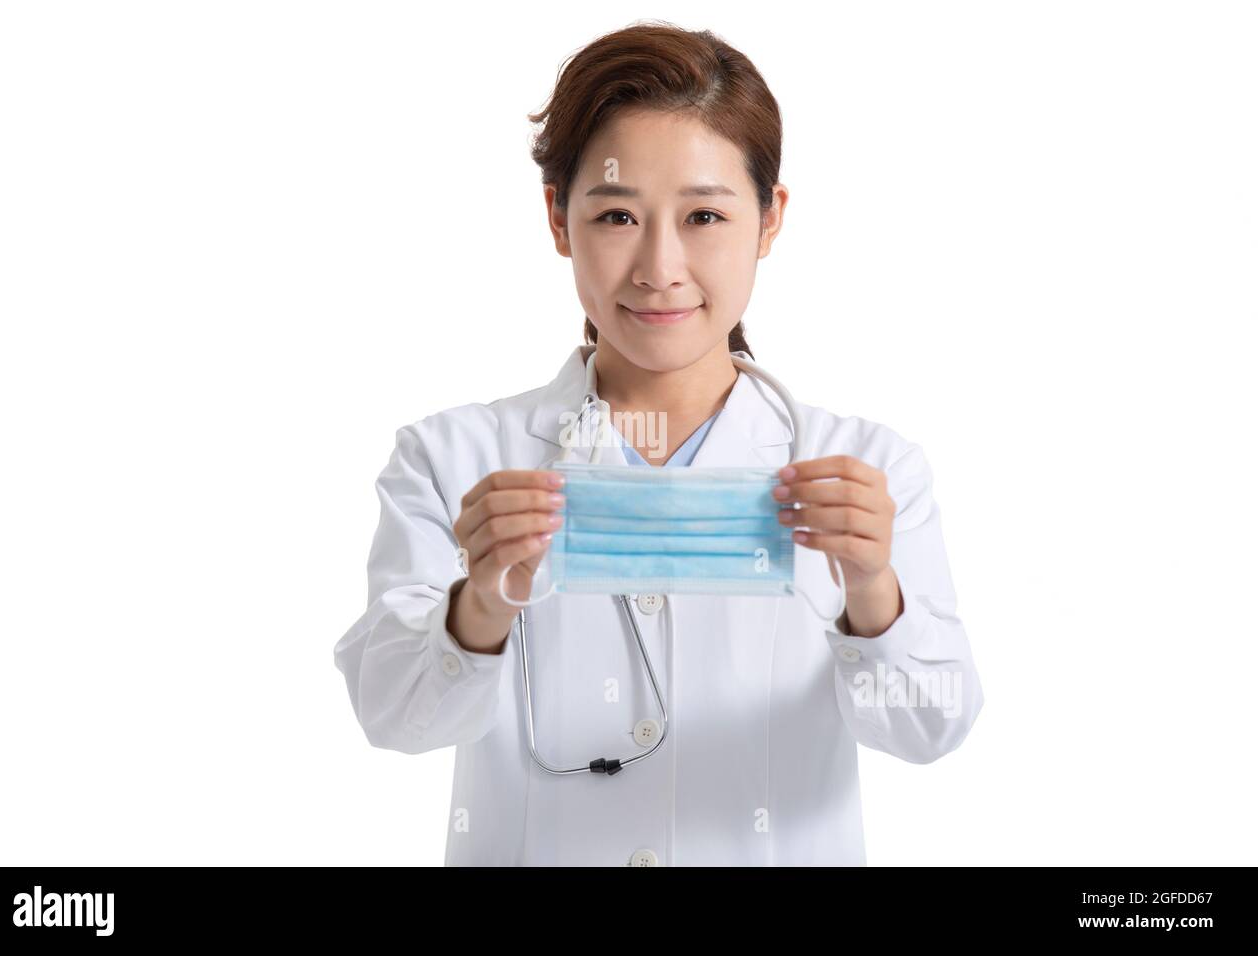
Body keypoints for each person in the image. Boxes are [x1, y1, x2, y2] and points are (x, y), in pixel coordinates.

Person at [333, 21, 984, 866]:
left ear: (770, 218)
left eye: (705, 214)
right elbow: (392, 717)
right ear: (558, 218)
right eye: (616, 215)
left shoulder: (867, 468)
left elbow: (934, 728)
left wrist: (872, 590)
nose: (659, 267)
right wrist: (480, 608)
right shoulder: (454, 457)